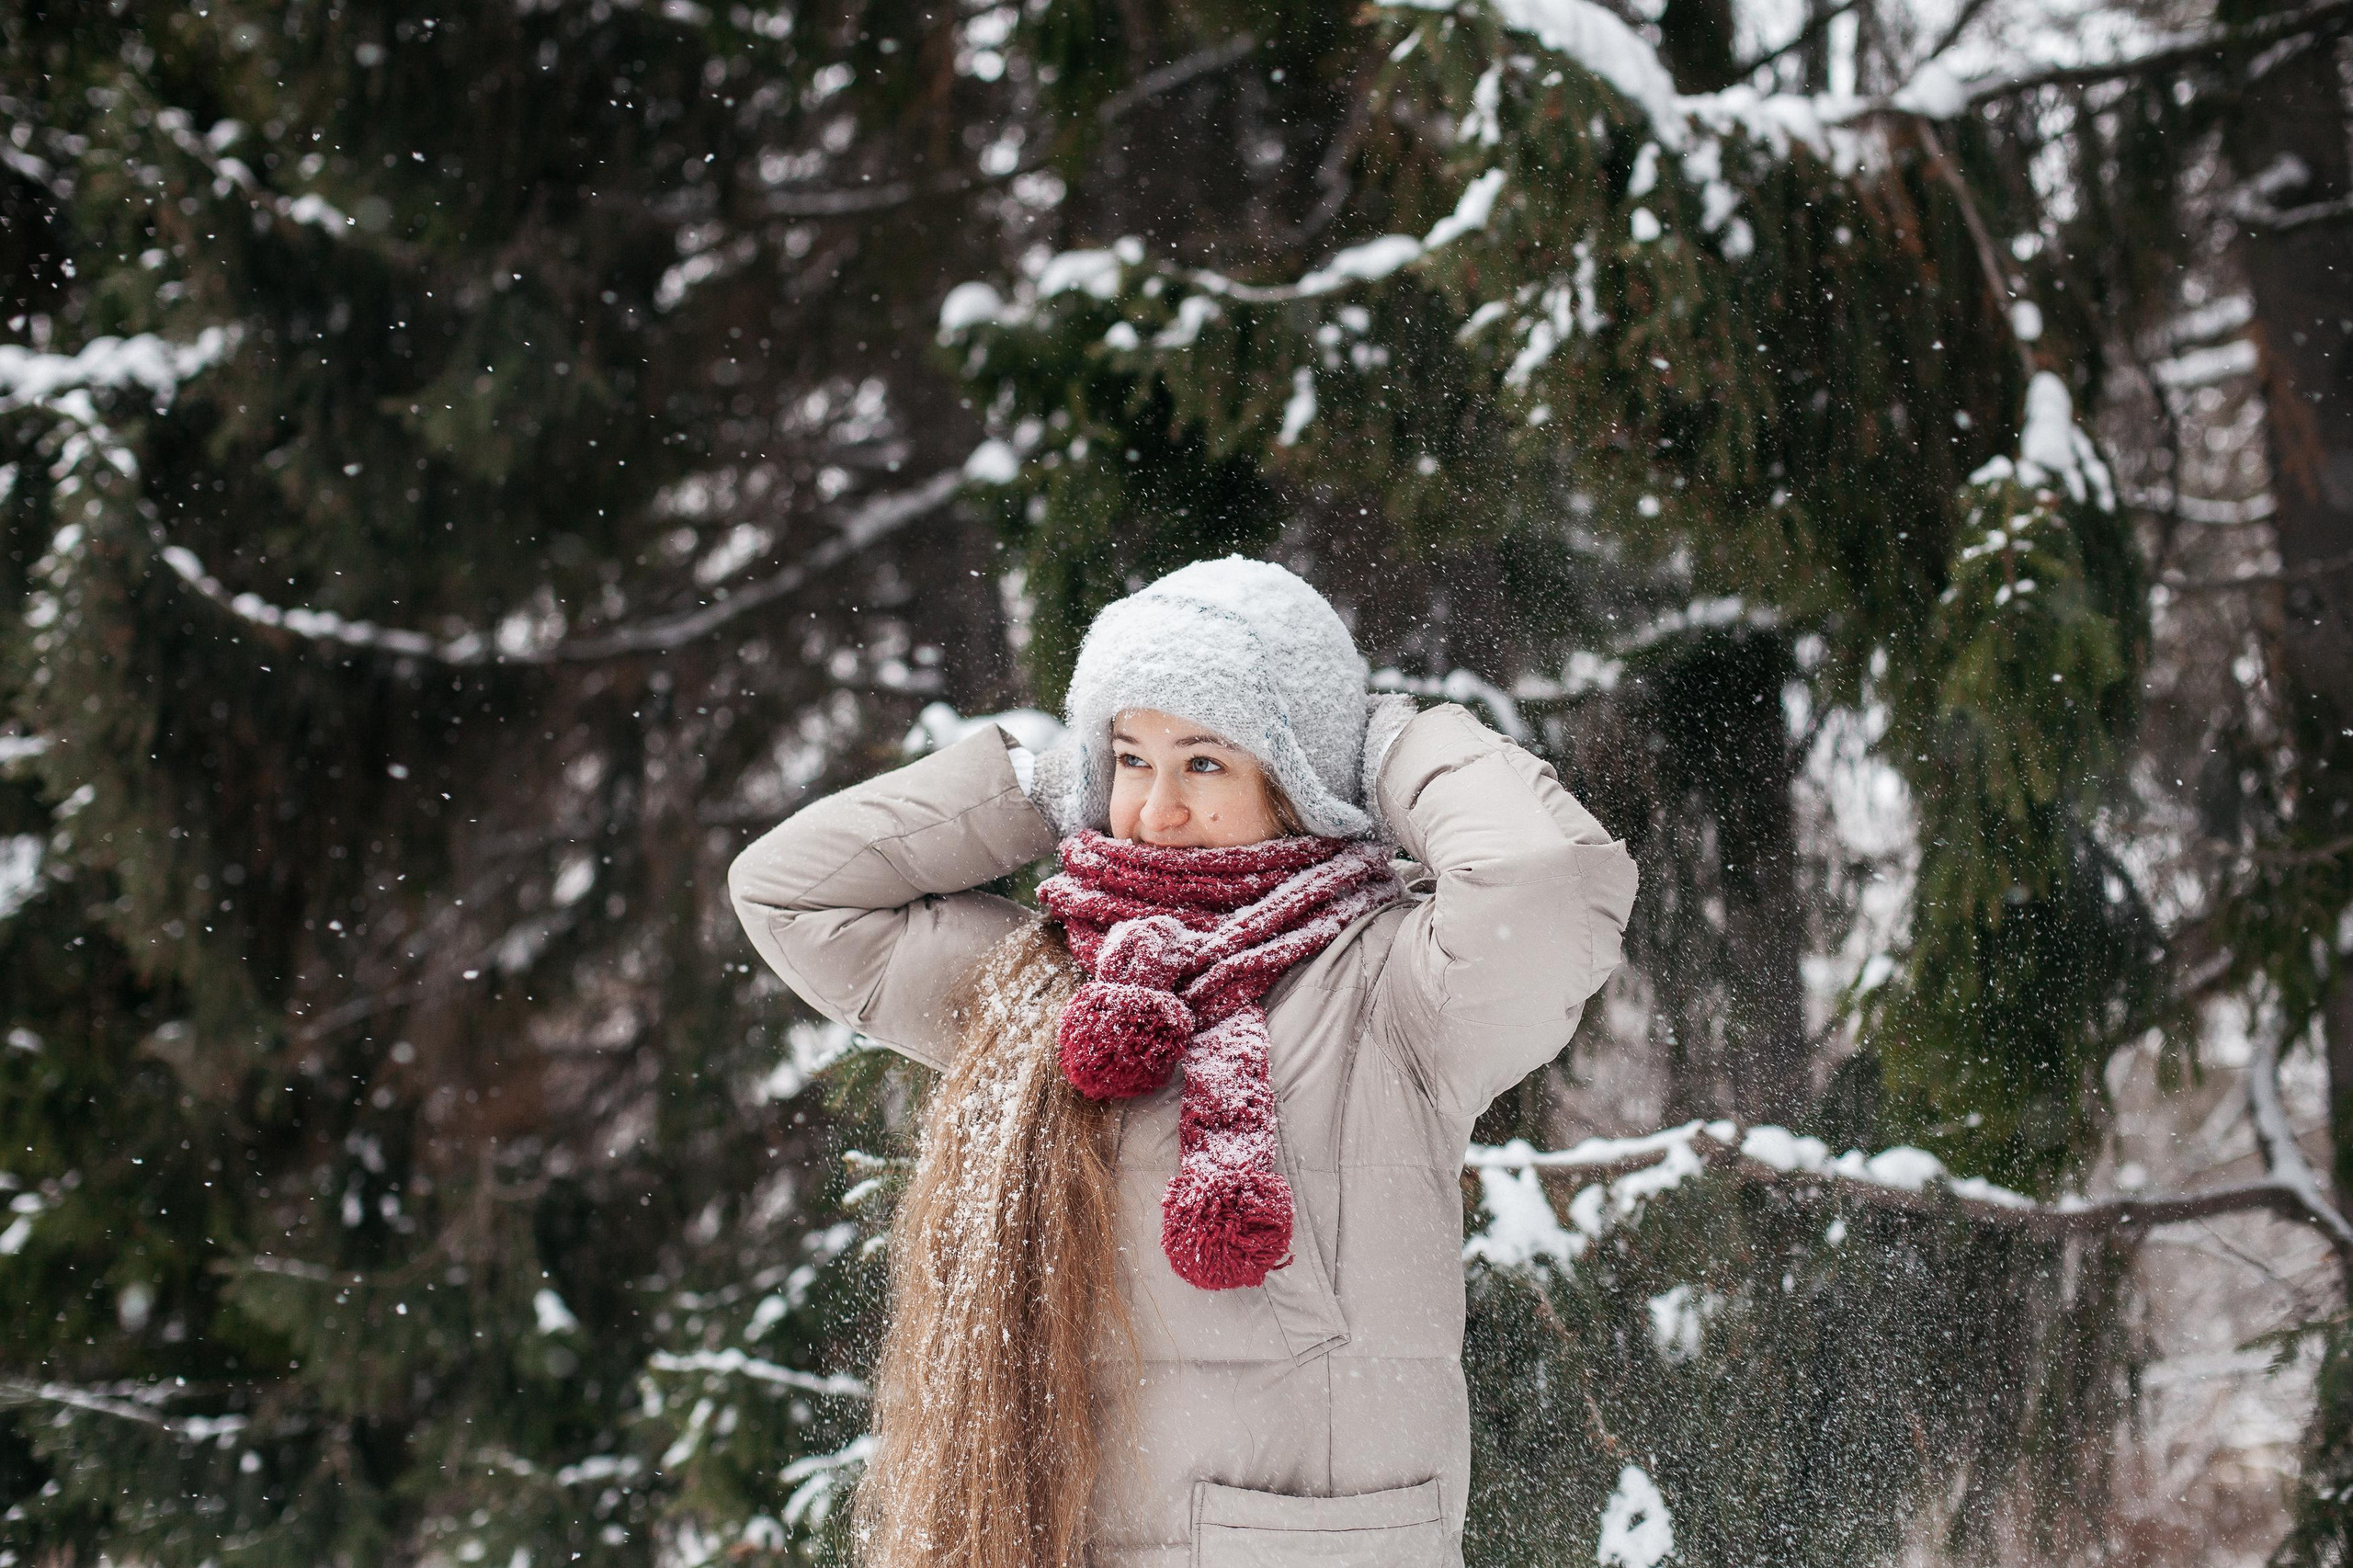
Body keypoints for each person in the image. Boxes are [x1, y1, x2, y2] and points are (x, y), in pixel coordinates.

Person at [729, 557, 1639, 1568]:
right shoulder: (1049, 989)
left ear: (1293, 775)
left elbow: (1547, 881)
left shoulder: (1394, 993)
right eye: (1126, 757)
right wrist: (1034, 787)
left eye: (1203, 761)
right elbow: (789, 895)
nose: (1153, 810)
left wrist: (1384, 746)